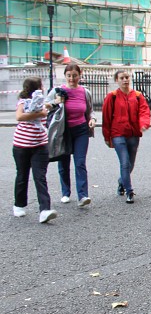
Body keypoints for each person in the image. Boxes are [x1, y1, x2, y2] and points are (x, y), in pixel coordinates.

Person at [102, 70, 151, 204]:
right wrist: (107, 137)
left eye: (127, 77)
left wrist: (144, 124)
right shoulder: (111, 97)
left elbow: (144, 111)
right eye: (122, 78)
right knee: (124, 163)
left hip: (133, 134)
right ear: (117, 80)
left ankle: (121, 182)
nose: (125, 80)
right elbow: (106, 118)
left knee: (130, 164)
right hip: (118, 134)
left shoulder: (137, 96)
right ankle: (129, 191)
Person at [12, 77, 57, 223]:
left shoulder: (41, 103)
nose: (43, 88)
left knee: (40, 177)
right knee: (22, 175)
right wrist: (40, 114)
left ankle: (44, 209)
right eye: (41, 85)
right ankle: (19, 204)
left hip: (40, 145)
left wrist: (55, 102)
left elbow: (48, 106)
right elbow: (19, 116)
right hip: (21, 146)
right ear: (36, 87)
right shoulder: (23, 102)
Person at [55, 64, 95, 207]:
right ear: (65, 76)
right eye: (69, 76)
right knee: (64, 163)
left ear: (80, 75)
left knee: (80, 162)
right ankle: (65, 192)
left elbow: (90, 110)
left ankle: (83, 195)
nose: (72, 78)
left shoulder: (85, 92)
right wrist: (56, 102)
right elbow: (47, 107)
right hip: (64, 131)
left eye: (74, 75)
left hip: (81, 130)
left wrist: (92, 119)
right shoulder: (58, 91)